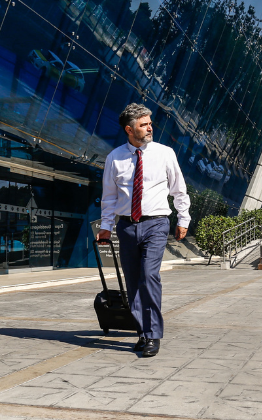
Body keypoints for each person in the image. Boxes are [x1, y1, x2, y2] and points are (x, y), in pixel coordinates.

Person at [96, 103, 190, 357]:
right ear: (129, 129)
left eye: (150, 123)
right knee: (133, 282)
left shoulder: (165, 153)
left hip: (157, 222)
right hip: (126, 226)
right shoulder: (114, 158)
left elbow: (178, 189)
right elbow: (109, 198)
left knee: (149, 276)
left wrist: (183, 219)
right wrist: (106, 227)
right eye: (143, 125)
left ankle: (152, 335)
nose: (150, 128)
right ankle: (142, 331)